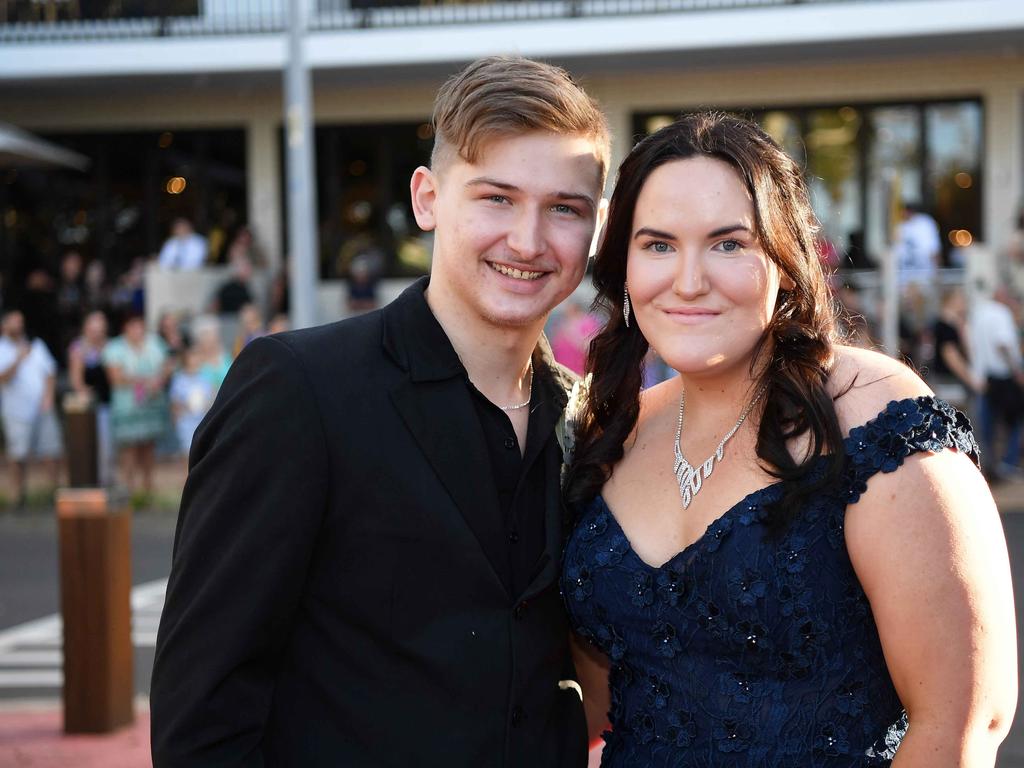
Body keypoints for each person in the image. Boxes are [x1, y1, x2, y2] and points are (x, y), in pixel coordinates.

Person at [151, 55, 610, 767]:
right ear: (428, 199)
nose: (527, 239)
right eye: (496, 198)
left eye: (564, 209)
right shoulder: (298, 389)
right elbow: (203, 713)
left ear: (594, 228)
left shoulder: (583, 419)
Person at [560, 113, 1016, 766]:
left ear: (786, 259)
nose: (688, 280)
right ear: (624, 267)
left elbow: (962, 725)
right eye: (658, 245)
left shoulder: (879, 422)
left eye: (728, 244)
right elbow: (596, 703)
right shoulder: (615, 433)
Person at [102, 311, 170, 498]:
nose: (138, 330)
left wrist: (159, 381)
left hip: (151, 405)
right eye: (133, 326)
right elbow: (115, 378)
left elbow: (167, 366)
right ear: (126, 328)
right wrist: (145, 381)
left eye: (140, 325)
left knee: (148, 446)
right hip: (127, 407)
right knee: (129, 448)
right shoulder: (114, 348)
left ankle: (148, 488)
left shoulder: (155, 343)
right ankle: (129, 489)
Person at [0, 309, 62, 509]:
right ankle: (18, 497)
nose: (19, 325)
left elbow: (50, 372)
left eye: (21, 321)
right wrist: (18, 359)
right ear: (4, 326)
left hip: (42, 407)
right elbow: (3, 378)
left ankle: (55, 494)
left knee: (50, 451)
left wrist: (48, 397)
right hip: (16, 411)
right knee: (18, 455)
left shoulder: (36, 345)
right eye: (14, 321)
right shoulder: (1, 348)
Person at [969, 283, 1024, 482]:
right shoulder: (1001, 313)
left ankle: (989, 465)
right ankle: (1008, 463)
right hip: (1003, 376)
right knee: (1017, 419)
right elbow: (1003, 344)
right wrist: (1017, 370)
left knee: (988, 424)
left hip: (985, 377)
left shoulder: (979, 313)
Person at [68, 310, 114, 486]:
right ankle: (99, 483)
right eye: (93, 329)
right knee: (101, 448)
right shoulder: (79, 348)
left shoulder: (111, 346)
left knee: (112, 448)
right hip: (94, 407)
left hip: (113, 403)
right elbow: (76, 380)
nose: (97, 332)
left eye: (100, 329)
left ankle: (110, 481)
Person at [930, 286, 982, 409]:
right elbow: (951, 356)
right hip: (949, 381)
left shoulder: (949, 325)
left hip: (948, 380)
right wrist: (972, 381)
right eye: (962, 300)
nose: (965, 304)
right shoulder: (946, 327)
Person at [168, 344, 215, 462]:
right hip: (186, 423)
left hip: (203, 421)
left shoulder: (206, 377)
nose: (195, 360)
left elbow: (212, 398)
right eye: (192, 357)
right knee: (188, 456)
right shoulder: (179, 379)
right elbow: (175, 403)